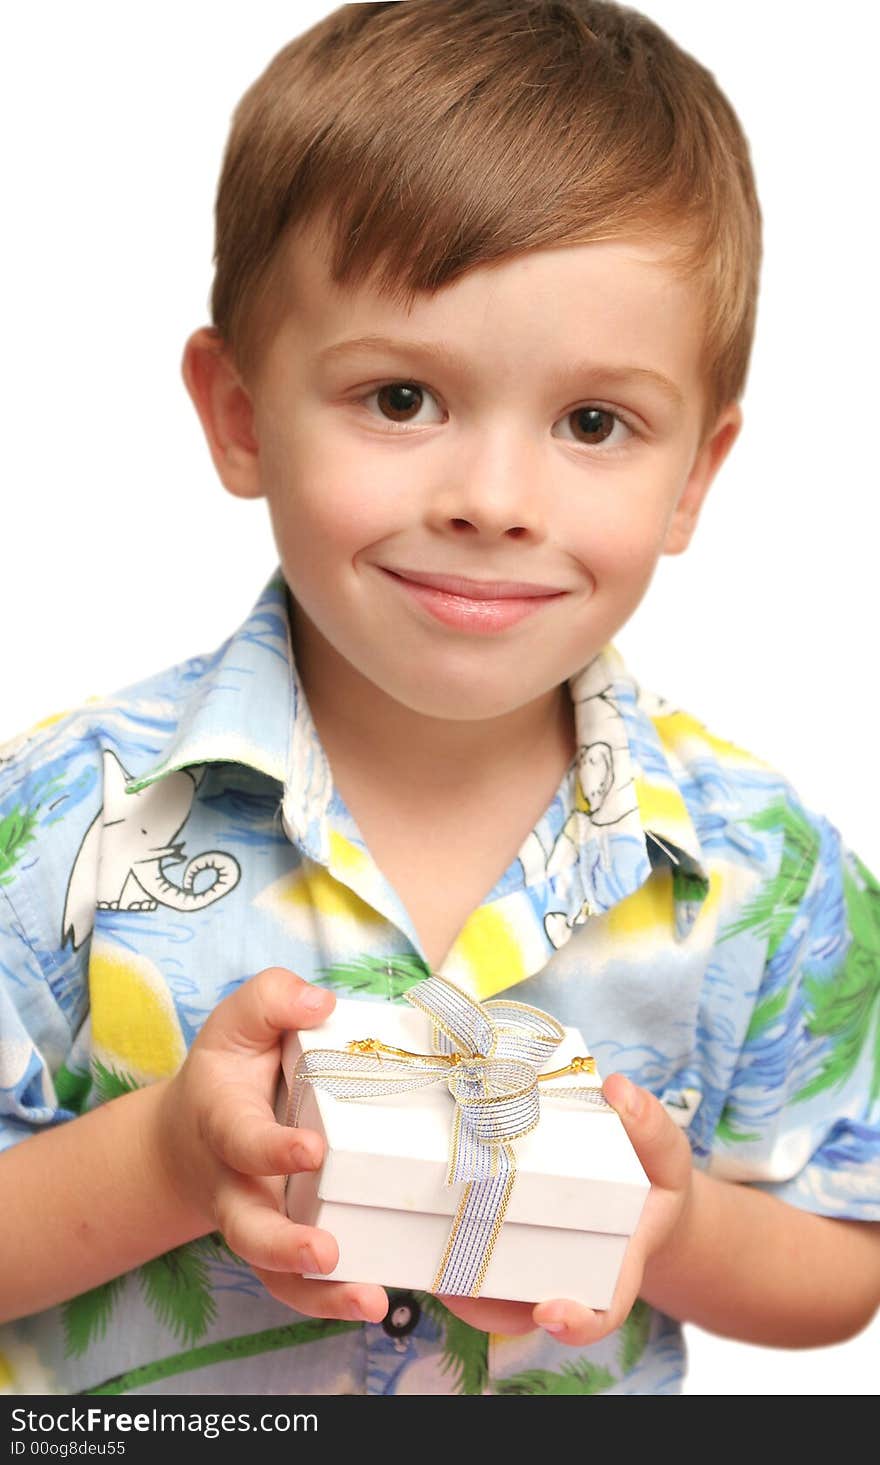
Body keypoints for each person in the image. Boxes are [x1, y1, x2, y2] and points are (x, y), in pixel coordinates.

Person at [0, 0, 878, 1398]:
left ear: (694, 477)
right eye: (402, 396)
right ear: (239, 414)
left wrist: (680, 1225)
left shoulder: (767, 872)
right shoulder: (54, 814)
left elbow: (847, 1251)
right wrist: (170, 1158)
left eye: (594, 424)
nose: (492, 502)